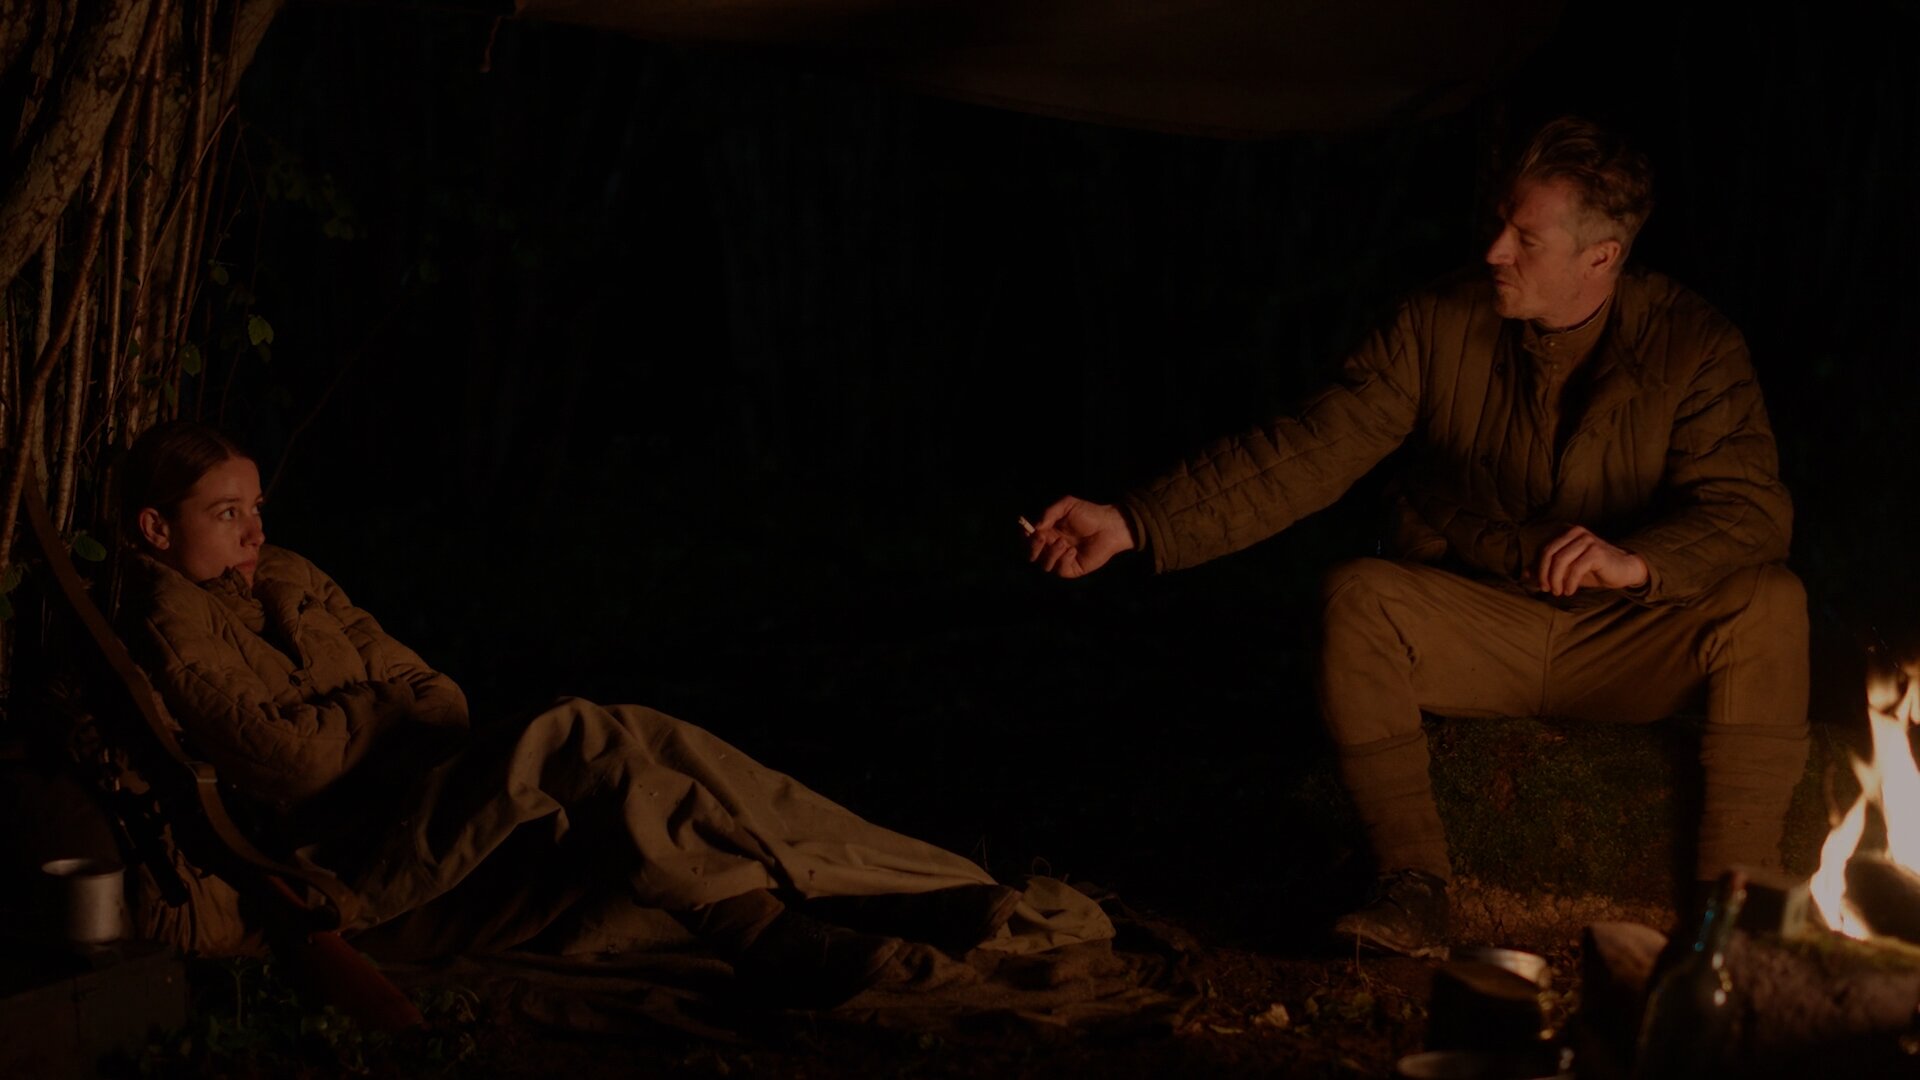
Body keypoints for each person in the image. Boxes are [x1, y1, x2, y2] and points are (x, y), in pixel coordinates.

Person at [1026, 117, 1807, 958]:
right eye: (1499, 224)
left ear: (1601, 257)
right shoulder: (1435, 322)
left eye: (1526, 238)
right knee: (1357, 598)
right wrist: (1136, 522)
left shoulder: (1694, 344)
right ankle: (1413, 888)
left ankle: (1733, 916)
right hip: (1483, 621)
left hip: (1628, 636)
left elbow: (1750, 512)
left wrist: (1638, 563)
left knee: (1771, 604)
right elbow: (1310, 448)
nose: (1495, 251)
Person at [118, 420, 1109, 1002]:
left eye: (256, 506)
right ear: (158, 527)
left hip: (436, 799)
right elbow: (293, 765)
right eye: (225, 513)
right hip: (369, 861)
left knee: (646, 741)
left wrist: (371, 711)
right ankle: (785, 930)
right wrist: (380, 711)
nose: (254, 530)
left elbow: (440, 697)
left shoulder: (288, 574)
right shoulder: (167, 618)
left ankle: (914, 893)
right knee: (574, 733)